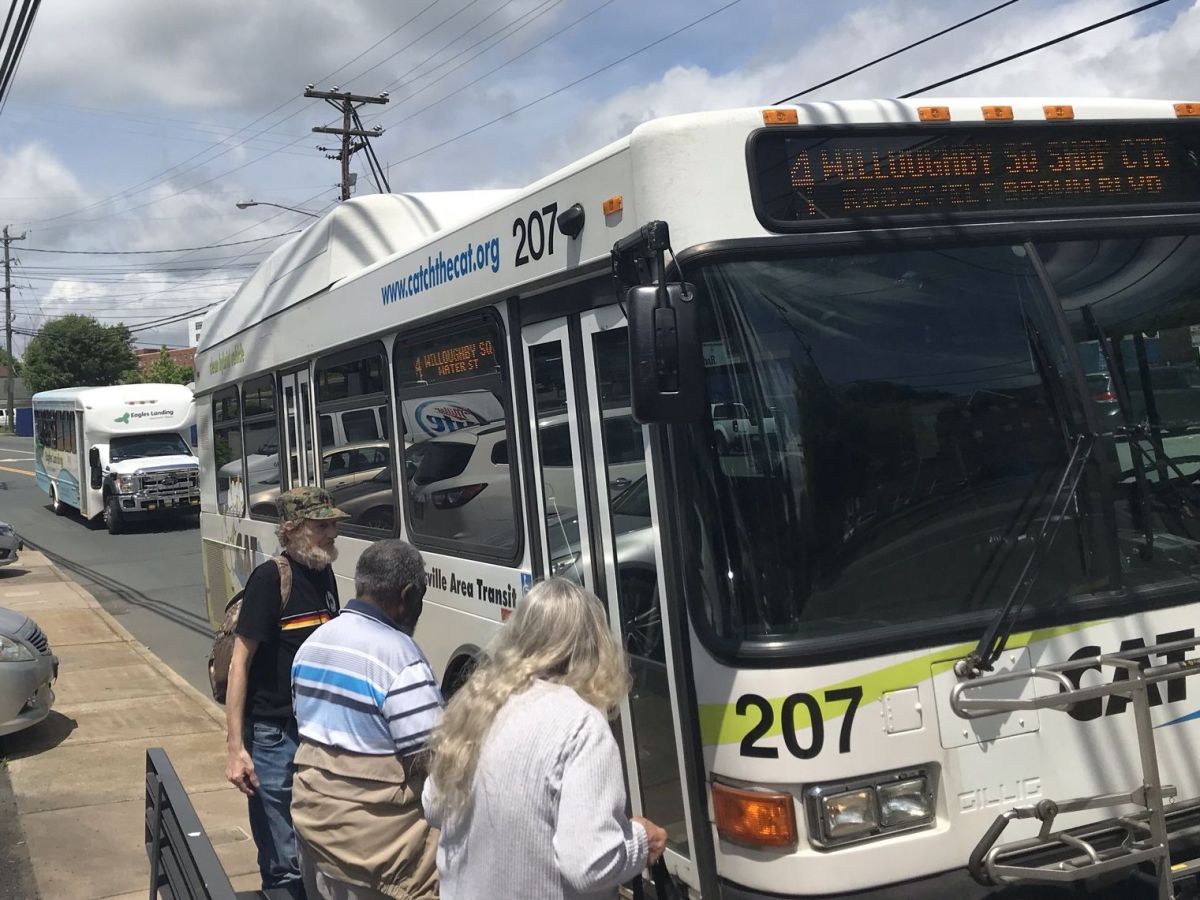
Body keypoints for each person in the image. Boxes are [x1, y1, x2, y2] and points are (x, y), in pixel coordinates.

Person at [423, 577, 669, 900]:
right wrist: (640, 840)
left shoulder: (479, 703)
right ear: (594, 646)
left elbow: (432, 806)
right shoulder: (582, 725)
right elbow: (589, 865)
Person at [290, 539, 442, 900]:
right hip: (380, 862)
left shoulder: (312, 645)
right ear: (406, 595)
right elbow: (434, 764)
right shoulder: (401, 660)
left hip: (317, 840)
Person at [225, 486, 348, 899]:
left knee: (318, 852)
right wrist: (235, 748)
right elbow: (240, 662)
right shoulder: (269, 579)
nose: (333, 532)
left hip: (316, 734)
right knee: (283, 864)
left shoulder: (324, 572)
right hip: (274, 738)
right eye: (322, 525)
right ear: (293, 529)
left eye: (333, 524)